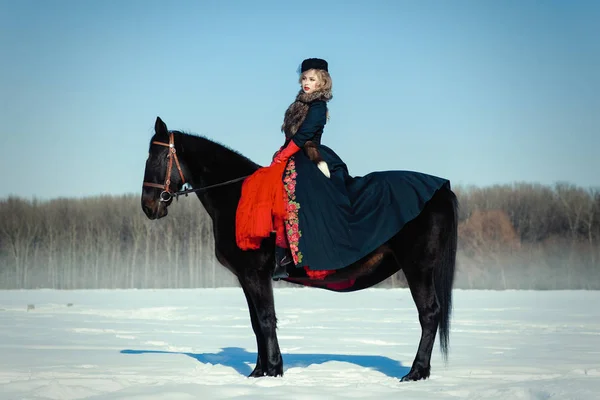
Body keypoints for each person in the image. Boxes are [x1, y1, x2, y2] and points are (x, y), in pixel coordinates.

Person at [236, 58, 450, 280]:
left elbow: (303, 136)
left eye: (312, 79)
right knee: (270, 191)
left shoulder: (318, 106)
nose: (306, 83)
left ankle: (302, 252)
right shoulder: (298, 104)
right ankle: (280, 252)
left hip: (308, 155)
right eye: (304, 79)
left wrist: (283, 154)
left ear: (322, 82)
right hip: (292, 156)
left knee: (298, 194)